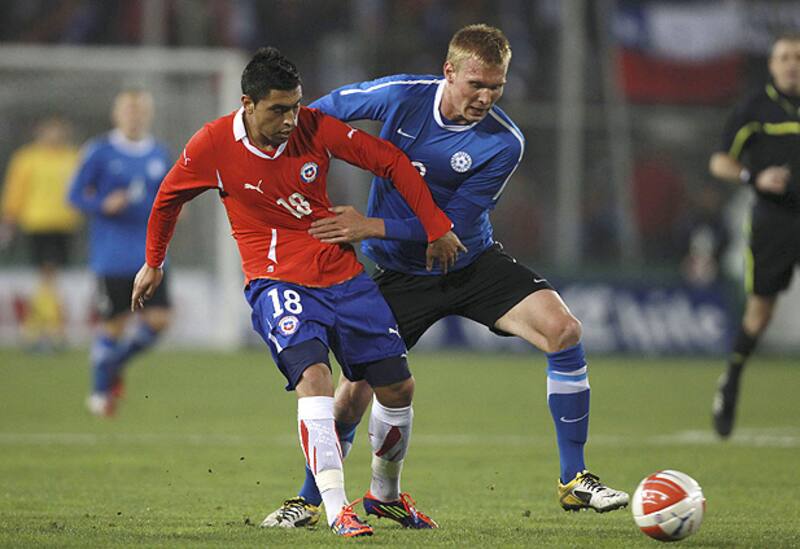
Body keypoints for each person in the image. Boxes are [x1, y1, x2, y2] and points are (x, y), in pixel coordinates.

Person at [262, 24, 629, 529]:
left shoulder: (503, 142)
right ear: (449, 72)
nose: (486, 97)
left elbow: (447, 230)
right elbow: (313, 117)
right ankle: (308, 499)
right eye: (476, 84)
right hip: (399, 273)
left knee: (563, 329)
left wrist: (365, 224)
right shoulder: (399, 95)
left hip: (470, 262)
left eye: (496, 86)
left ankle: (574, 479)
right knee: (355, 388)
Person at [130, 47, 464, 537]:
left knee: (398, 387)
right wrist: (154, 262)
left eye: (296, 106)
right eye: (278, 109)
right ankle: (335, 510)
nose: (291, 119)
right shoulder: (212, 144)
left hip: (342, 276)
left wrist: (435, 226)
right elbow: (167, 199)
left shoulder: (312, 126)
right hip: (276, 280)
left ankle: (385, 496)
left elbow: (390, 160)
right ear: (248, 103)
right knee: (315, 380)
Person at [709, 34, 800, 438]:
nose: (792, 64)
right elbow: (719, 161)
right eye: (784, 57)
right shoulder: (754, 108)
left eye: (798, 57)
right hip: (775, 220)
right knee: (760, 312)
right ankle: (731, 379)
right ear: (772, 64)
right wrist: (754, 176)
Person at [68, 89, 173, 417]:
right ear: (117, 114)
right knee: (113, 324)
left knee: (159, 320)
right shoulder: (99, 151)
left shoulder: (159, 153)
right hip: (111, 255)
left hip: (150, 256)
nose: (135, 115)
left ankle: (110, 364)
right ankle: (100, 394)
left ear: (149, 114)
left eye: (140, 109)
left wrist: (174, 210)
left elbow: (168, 195)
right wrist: (102, 204)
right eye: (129, 109)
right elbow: (74, 196)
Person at [1, 116, 81, 351]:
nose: (53, 135)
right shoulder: (27, 158)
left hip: (64, 223)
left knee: (49, 277)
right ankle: (48, 329)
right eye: (49, 131)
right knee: (48, 273)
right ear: (39, 132)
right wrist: (9, 218)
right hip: (37, 222)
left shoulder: (72, 157)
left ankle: (36, 328)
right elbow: (15, 190)